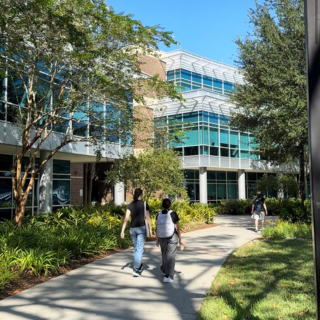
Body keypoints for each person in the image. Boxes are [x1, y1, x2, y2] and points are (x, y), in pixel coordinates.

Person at [121, 188, 151, 277]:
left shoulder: (130, 205)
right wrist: (150, 228)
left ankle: (139, 265)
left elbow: (126, 219)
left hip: (132, 228)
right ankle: (136, 269)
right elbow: (148, 217)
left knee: (135, 248)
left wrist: (122, 230)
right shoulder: (144, 204)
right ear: (141, 194)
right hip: (141, 228)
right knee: (139, 249)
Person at [156, 198, 185, 283]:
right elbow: (177, 228)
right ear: (170, 205)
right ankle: (168, 275)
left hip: (161, 237)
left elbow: (157, 228)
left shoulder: (158, 214)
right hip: (172, 236)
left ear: (162, 205)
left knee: (164, 254)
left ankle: (165, 269)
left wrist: (157, 240)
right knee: (171, 255)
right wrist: (180, 239)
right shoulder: (173, 213)